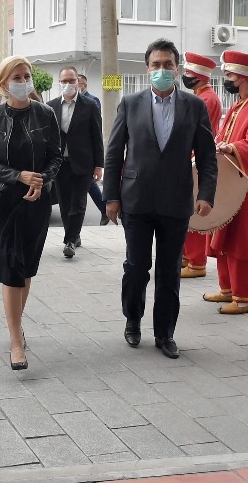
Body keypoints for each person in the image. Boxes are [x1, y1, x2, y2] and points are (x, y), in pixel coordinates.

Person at [104, 38, 217, 359]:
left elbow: (208, 155)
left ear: (177, 69)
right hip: (136, 201)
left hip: (176, 202)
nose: (162, 70)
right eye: (156, 65)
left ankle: (165, 333)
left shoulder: (194, 106)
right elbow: (114, 154)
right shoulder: (130, 103)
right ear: (147, 69)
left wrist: (206, 193)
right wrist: (111, 197)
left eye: (168, 65)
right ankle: (133, 320)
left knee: (169, 272)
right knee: (137, 267)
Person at [0, 56, 62, 370]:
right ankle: (15, 342)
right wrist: (18, 176)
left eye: (27, 75)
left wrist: (42, 179)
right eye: (17, 77)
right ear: (4, 83)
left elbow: (56, 157)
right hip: (3, 202)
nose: (24, 82)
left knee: (26, 269)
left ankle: (16, 325)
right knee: (10, 266)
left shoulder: (46, 114)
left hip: (36, 203)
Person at [202, 50, 248, 314]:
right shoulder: (238, 104)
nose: (226, 79)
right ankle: (228, 289)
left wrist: (232, 148)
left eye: (229, 74)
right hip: (231, 178)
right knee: (224, 232)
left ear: (243, 76)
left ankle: (245, 298)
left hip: (247, 179)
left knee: (242, 239)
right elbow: (224, 134)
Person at [48, 65, 103, 259]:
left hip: (83, 163)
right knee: (64, 202)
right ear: (59, 82)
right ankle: (73, 235)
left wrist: (99, 165)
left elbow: (97, 136)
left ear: (78, 82)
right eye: (64, 81)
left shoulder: (90, 106)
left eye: (72, 81)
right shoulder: (51, 106)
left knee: (79, 202)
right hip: (59, 163)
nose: (68, 84)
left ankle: (70, 240)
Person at [179, 52, 222, 279]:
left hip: (195, 159)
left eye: (188, 73)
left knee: (193, 213)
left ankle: (196, 262)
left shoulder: (205, 99)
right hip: (193, 157)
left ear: (198, 76)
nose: (185, 77)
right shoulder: (203, 95)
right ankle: (187, 257)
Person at [76, 73, 109, 225]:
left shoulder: (92, 100)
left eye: (80, 83)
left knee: (89, 183)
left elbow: (95, 129)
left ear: (85, 85)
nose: (77, 86)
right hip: (72, 151)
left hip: (86, 151)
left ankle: (104, 209)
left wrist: (98, 163)